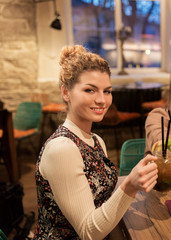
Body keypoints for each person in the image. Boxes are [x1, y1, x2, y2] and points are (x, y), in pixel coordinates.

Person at [33, 45, 158, 240]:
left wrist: (138, 177)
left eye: (107, 91)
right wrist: (130, 186)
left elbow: (101, 194)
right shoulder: (61, 149)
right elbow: (88, 232)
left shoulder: (96, 140)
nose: (102, 100)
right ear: (66, 93)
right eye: (90, 90)